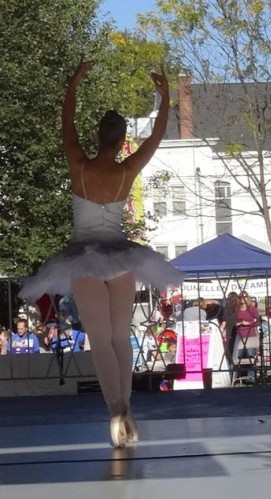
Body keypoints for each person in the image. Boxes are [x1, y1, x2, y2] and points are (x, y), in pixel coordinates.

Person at [19, 58, 184, 447]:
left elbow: (66, 124)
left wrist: (75, 82)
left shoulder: (78, 166)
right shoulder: (127, 170)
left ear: (97, 137)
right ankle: (126, 406)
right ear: (122, 140)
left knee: (99, 337)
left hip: (83, 258)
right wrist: (165, 99)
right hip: (122, 258)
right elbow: (156, 139)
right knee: (118, 338)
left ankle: (114, 410)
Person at [233, 291, 260, 384]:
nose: (242, 299)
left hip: (250, 335)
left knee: (250, 357)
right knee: (238, 357)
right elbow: (232, 321)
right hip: (239, 335)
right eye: (240, 297)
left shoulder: (252, 309)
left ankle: (251, 377)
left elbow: (258, 321)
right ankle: (238, 377)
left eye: (244, 297)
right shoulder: (236, 309)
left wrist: (248, 323)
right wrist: (236, 323)